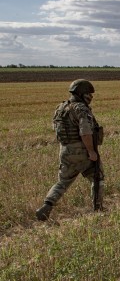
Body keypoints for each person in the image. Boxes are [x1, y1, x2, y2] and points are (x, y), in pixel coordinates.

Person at [36, 79, 104, 220]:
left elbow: (56, 128)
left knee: (62, 182)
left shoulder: (60, 108)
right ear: (81, 94)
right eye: (88, 94)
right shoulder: (81, 108)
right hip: (82, 150)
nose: (91, 97)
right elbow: (85, 132)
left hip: (65, 150)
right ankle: (98, 208)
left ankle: (47, 206)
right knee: (97, 178)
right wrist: (91, 151)